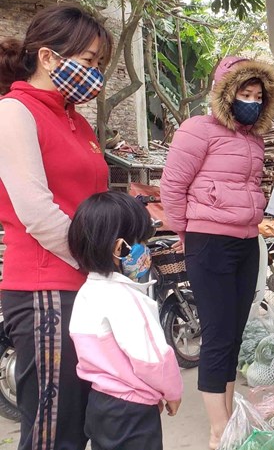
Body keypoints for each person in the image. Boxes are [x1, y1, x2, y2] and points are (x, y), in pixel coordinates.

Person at [0, 3, 113, 450]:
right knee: (53, 430)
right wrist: (98, 257)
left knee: (83, 422)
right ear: (48, 57)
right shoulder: (15, 113)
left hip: (85, 285)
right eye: (88, 61)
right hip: (46, 289)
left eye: (99, 64)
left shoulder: (76, 119)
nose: (95, 73)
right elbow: (36, 211)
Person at [161, 55, 274, 448]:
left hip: (246, 241)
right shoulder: (198, 130)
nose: (251, 100)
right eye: (244, 93)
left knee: (233, 333)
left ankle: (229, 417)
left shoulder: (254, 139)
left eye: (257, 94)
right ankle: (218, 432)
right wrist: (186, 232)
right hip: (209, 241)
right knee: (216, 334)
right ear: (226, 94)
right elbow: (172, 188)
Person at [67, 192, 183, 450]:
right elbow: (152, 359)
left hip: (99, 404)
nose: (146, 248)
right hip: (132, 413)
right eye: (141, 240)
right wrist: (172, 392)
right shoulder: (127, 297)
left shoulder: (87, 292)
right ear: (120, 248)